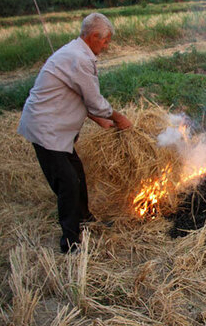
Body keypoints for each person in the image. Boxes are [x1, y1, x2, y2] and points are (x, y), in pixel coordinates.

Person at [18, 13, 132, 253]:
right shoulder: (79, 58)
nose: (107, 45)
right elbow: (94, 99)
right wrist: (118, 118)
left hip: (57, 131)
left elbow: (78, 94)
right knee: (68, 183)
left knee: (77, 174)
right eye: (105, 40)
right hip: (46, 129)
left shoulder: (76, 53)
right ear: (93, 37)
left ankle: (84, 218)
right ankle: (70, 242)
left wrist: (99, 120)